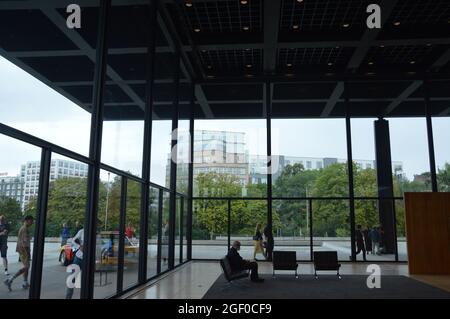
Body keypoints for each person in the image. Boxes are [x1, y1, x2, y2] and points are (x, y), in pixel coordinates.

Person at [4, 215, 34, 291]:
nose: (32, 222)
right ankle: (10, 280)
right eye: (31, 220)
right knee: (26, 267)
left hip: (22, 250)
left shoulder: (24, 228)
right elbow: (24, 243)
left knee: (26, 267)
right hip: (24, 250)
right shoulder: (24, 229)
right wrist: (28, 253)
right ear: (27, 220)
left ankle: (25, 283)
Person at [65, 227, 84, 299]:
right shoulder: (82, 231)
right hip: (78, 258)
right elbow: (73, 240)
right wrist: (79, 246)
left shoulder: (95, 234)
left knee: (85, 281)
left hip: (87, 260)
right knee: (72, 279)